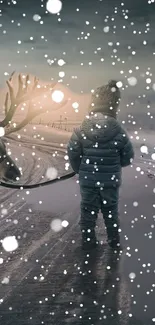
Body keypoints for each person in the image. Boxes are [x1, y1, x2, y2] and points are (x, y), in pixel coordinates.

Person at [67, 80, 134, 250]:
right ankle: (114, 240)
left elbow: (73, 152)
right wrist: (115, 163)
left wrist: (79, 169)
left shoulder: (82, 129)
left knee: (88, 210)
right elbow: (128, 157)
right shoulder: (118, 130)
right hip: (110, 180)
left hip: (88, 179)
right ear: (113, 106)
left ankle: (88, 241)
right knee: (110, 210)